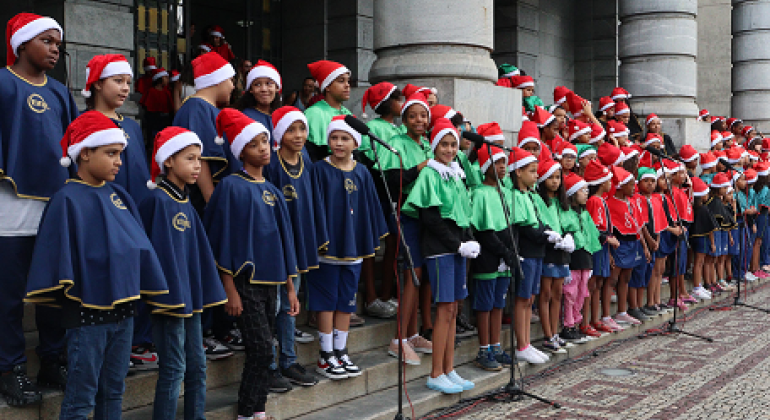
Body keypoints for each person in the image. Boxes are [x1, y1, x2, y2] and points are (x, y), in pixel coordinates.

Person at [25, 111, 179, 419]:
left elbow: (138, 246)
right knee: (82, 399)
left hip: (124, 314)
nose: (119, 161)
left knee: (114, 392)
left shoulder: (120, 195)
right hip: (88, 318)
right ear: (84, 152)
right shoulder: (66, 199)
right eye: (110, 153)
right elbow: (59, 258)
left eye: (120, 154)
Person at [0, 12, 77, 405]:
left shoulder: (61, 93)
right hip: (10, 202)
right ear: (22, 44)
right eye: (46, 41)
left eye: (57, 43)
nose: (54, 49)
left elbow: (74, 146)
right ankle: (11, 368)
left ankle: (52, 359)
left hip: (55, 202)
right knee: (9, 294)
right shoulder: (1, 82)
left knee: (53, 289)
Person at [204, 109, 298, 420]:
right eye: (254, 143)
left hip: (272, 284)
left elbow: (284, 243)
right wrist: (229, 288)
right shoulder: (231, 186)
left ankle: (258, 410)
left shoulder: (271, 190)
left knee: (265, 348)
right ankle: (247, 412)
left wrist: (290, 289)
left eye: (265, 142)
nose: (262, 148)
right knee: (259, 349)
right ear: (241, 150)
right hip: (245, 283)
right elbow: (222, 240)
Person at [140, 127, 228, 420]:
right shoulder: (156, 201)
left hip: (190, 298)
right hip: (168, 301)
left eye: (199, 160)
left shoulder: (185, 200)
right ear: (168, 161)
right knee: (174, 367)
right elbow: (151, 253)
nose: (197, 166)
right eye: (190, 159)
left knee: (198, 365)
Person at [81, 53, 159, 369]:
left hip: (132, 217)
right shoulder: (83, 123)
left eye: (128, 81)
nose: (125, 88)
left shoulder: (130, 125)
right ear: (98, 83)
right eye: (118, 81)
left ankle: (136, 343)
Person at [308, 115, 389, 380]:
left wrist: (370, 236)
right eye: (334, 137)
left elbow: (370, 207)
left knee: (346, 302)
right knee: (326, 301)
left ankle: (341, 350)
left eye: (345, 138)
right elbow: (314, 207)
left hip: (352, 247)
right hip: (328, 248)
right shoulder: (319, 169)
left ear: (356, 142)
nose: (339, 143)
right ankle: (325, 354)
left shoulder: (362, 171)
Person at [402, 118, 478, 394]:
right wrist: (457, 244)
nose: (448, 150)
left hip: (457, 246)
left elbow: (463, 214)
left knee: (454, 309)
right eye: (443, 144)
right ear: (434, 147)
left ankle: (449, 368)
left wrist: (469, 239)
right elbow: (431, 218)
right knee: (444, 310)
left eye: (453, 145)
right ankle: (435, 372)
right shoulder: (430, 174)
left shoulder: (456, 174)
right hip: (440, 248)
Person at [263, 106, 324, 390]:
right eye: (291, 129)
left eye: (302, 129)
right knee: (272, 304)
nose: (299, 135)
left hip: (298, 242)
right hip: (275, 245)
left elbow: (312, 200)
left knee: (290, 304)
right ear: (279, 133)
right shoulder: (272, 164)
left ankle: (288, 359)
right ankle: (268, 365)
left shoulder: (306, 160)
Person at [378, 92, 434, 365]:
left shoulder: (428, 145)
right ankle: (398, 339)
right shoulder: (395, 144)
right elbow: (390, 180)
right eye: (412, 116)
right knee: (410, 273)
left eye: (423, 115)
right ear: (404, 119)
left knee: (419, 275)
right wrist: (420, 167)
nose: (419, 120)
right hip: (406, 215)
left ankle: (412, 334)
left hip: (426, 217)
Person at [359, 81, 404, 319]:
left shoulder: (398, 129)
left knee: (393, 247)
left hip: (395, 191)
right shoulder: (374, 127)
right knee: (374, 245)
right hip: (378, 190)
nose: (402, 103)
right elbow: (373, 162)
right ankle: (372, 297)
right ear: (387, 102)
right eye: (398, 99)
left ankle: (387, 295)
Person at [469, 145, 515, 371]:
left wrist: (510, 252)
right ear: (487, 166)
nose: (503, 167)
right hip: (489, 255)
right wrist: (503, 251)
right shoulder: (479, 193)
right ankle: (483, 349)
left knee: (499, 303)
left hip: (504, 256)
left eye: (504, 163)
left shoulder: (505, 192)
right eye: (497, 163)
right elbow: (484, 230)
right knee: (485, 305)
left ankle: (496, 346)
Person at [172, 51, 236, 213]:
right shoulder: (197, 107)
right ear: (217, 80)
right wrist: (212, 200)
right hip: (203, 204)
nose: (233, 86)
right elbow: (200, 157)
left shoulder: (206, 108)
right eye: (230, 80)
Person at [507, 147, 553, 364]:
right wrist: (543, 236)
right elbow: (523, 226)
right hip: (525, 250)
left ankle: (526, 343)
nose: (536, 176)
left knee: (530, 299)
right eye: (532, 171)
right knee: (523, 298)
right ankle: (521, 343)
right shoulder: (515, 195)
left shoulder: (532, 195)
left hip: (537, 252)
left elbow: (540, 219)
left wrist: (549, 232)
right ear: (518, 172)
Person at [535, 159, 579, 353]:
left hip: (562, 250)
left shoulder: (563, 203)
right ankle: (547, 334)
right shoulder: (539, 200)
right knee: (545, 293)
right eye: (551, 177)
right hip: (548, 247)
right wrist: (552, 235)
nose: (555, 181)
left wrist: (569, 235)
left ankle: (555, 332)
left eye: (558, 177)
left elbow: (570, 222)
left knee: (557, 294)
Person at [606, 166, 651, 326]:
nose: (635, 188)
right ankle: (605, 316)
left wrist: (644, 246)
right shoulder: (610, 203)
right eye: (631, 185)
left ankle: (622, 312)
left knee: (626, 278)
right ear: (621, 185)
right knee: (612, 280)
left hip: (633, 244)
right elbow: (608, 228)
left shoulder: (631, 203)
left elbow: (637, 225)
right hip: (619, 245)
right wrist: (610, 252)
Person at [563, 172, 602, 340]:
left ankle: (576, 321)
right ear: (572, 192)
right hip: (573, 258)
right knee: (570, 292)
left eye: (587, 190)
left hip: (585, 257)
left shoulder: (585, 214)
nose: (586, 193)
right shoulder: (566, 212)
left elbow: (592, 236)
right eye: (582, 190)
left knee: (581, 292)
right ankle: (567, 324)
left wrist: (591, 260)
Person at [584, 161, 621, 333]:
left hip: (603, 247)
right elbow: (592, 227)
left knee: (598, 284)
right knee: (591, 284)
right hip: (596, 247)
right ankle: (585, 321)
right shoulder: (593, 201)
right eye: (608, 180)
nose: (610, 183)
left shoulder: (601, 200)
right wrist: (608, 239)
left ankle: (595, 318)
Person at [304, 60, 352, 162]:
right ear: (327, 86)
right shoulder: (314, 113)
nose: (347, 85)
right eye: (341, 81)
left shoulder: (348, 113)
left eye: (348, 81)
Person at [236, 60, 282, 137]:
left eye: (269, 83)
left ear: (277, 87)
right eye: (257, 84)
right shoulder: (245, 117)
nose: (264, 89)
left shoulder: (283, 117)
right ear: (251, 89)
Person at [140, 67, 174, 149]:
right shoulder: (151, 91)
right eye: (165, 77)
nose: (168, 79)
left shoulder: (167, 92)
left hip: (165, 119)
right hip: (153, 119)